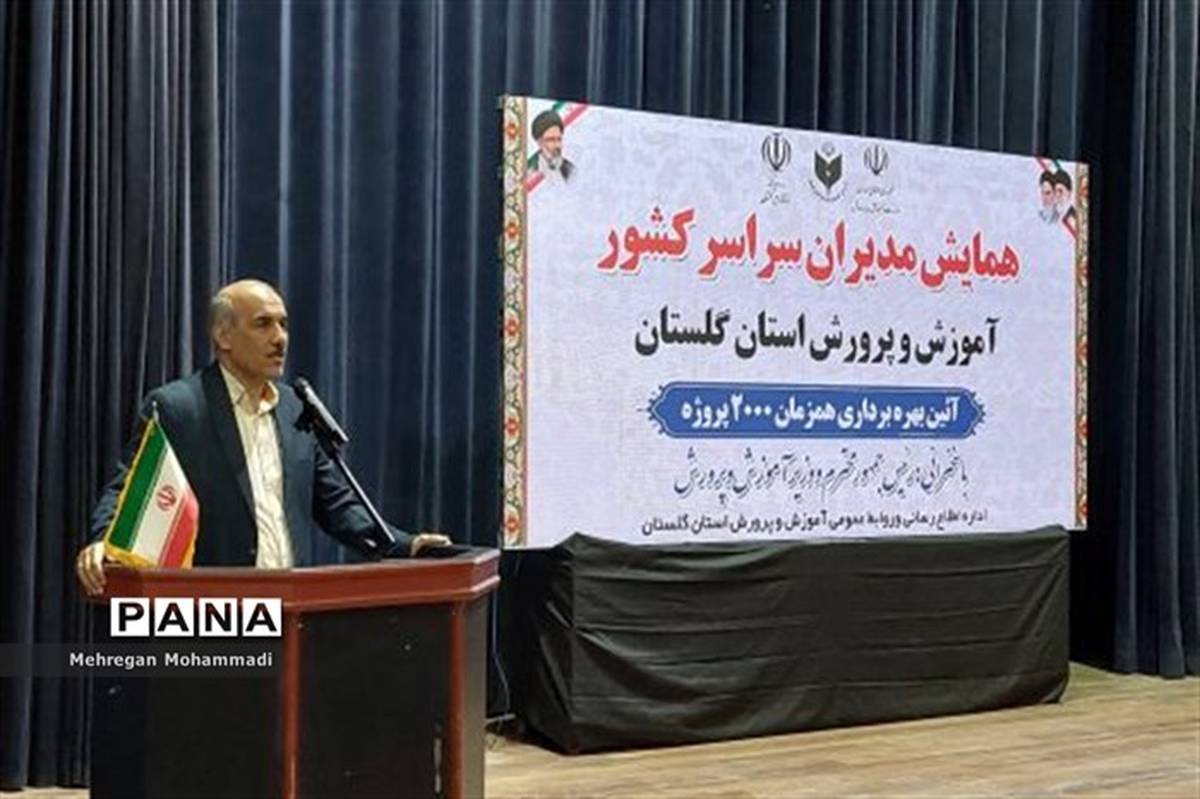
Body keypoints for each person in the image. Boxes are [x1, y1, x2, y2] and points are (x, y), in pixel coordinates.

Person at [76, 279, 449, 596]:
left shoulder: (294, 408)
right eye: (263, 324)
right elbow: (129, 486)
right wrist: (105, 542)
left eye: (283, 325)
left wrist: (404, 545)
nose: (279, 338)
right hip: (216, 612)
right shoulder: (180, 407)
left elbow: (337, 505)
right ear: (223, 335)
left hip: (291, 608)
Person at [529, 108, 575, 182]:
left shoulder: (570, 169)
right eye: (551, 140)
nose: (557, 146)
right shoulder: (530, 173)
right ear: (540, 142)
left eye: (559, 139)